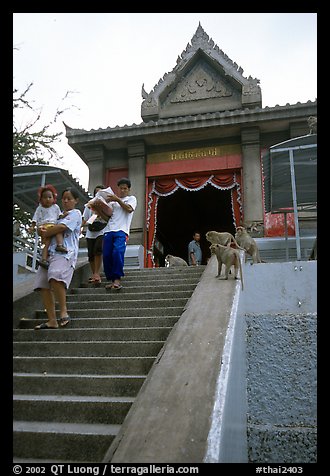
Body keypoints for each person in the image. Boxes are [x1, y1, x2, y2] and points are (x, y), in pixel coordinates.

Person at [33, 187, 82, 329]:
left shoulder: (76, 213)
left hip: (65, 252)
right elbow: (43, 230)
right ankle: (52, 320)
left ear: (76, 201)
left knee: (55, 275)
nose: (66, 201)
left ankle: (63, 312)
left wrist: (46, 230)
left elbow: (60, 228)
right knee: (42, 284)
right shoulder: (58, 214)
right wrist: (42, 230)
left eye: (69, 199)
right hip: (49, 252)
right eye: (64, 198)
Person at [92, 177, 137, 290]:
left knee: (117, 252)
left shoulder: (131, 199)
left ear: (128, 189)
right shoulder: (113, 202)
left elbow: (129, 209)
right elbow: (107, 218)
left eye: (125, 189)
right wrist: (98, 208)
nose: (122, 190)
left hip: (122, 231)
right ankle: (112, 280)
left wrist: (118, 200)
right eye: (120, 188)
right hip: (109, 230)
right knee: (106, 255)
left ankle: (117, 279)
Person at [29, 185, 68, 269]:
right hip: (43, 226)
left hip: (52, 225)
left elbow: (59, 216)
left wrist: (64, 215)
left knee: (53, 237)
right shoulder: (40, 208)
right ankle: (46, 256)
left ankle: (56, 248)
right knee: (51, 238)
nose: (47, 199)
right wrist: (32, 227)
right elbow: (35, 219)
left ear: (53, 198)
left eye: (50, 197)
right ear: (41, 199)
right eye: (45, 197)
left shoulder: (55, 207)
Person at [82, 184, 107, 284]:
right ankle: (94, 274)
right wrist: (80, 227)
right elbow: (85, 218)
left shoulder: (106, 205)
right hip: (90, 231)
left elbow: (108, 218)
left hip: (102, 229)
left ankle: (97, 273)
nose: (98, 194)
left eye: (100, 192)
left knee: (98, 249)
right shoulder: (89, 205)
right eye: (96, 192)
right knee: (91, 254)